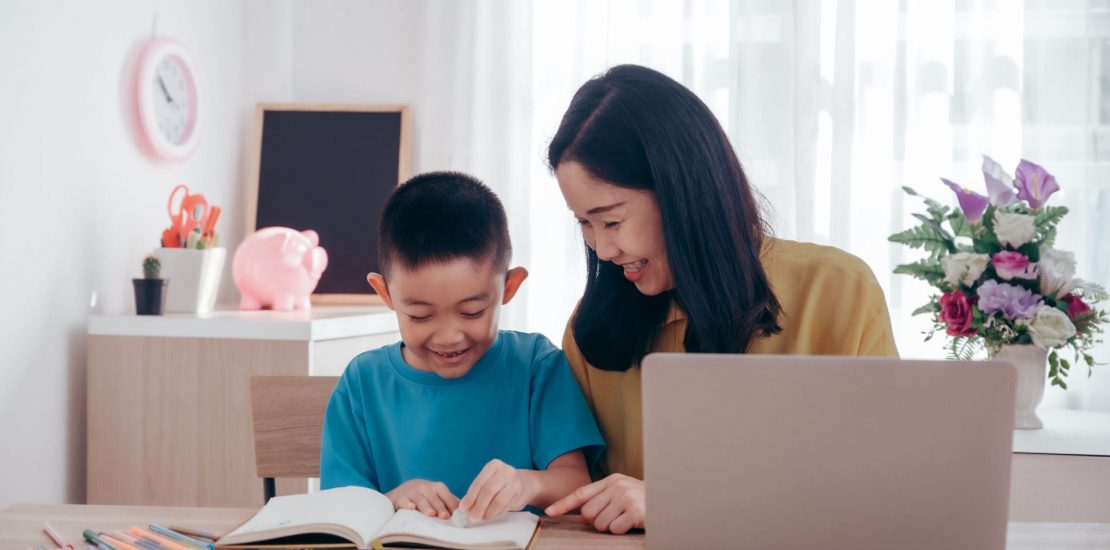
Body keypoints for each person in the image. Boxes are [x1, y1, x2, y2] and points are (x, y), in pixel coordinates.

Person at [542, 64, 899, 534]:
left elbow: (884, 495)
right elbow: (585, 505)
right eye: (584, 225)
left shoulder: (838, 292)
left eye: (610, 221)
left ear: (680, 193)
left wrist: (680, 502)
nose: (603, 251)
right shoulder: (592, 329)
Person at [320, 171, 604, 524]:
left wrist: (526, 484)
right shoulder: (362, 382)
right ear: (385, 295)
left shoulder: (535, 366)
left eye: (472, 312)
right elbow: (338, 507)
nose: (448, 337)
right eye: (421, 316)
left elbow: (575, 482)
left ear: (509, 287)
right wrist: (393, 498)